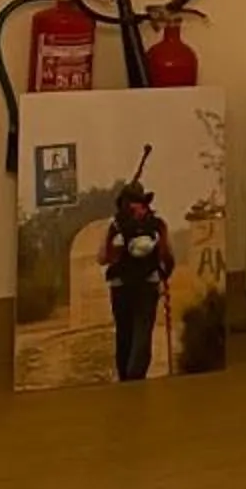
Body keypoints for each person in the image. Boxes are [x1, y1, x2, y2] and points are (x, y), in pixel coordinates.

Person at [101, 151, 175, 381]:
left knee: (136, 337)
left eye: (142, 204)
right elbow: (103, 257)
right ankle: (129, 379)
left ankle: (133, 379)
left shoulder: (154, 226)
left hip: (139, 287)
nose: (140, 208)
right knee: (128, 337)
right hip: (127, 287)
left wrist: (164, 275)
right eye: (137, 204)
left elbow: (167, 255)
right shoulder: (118, 227)